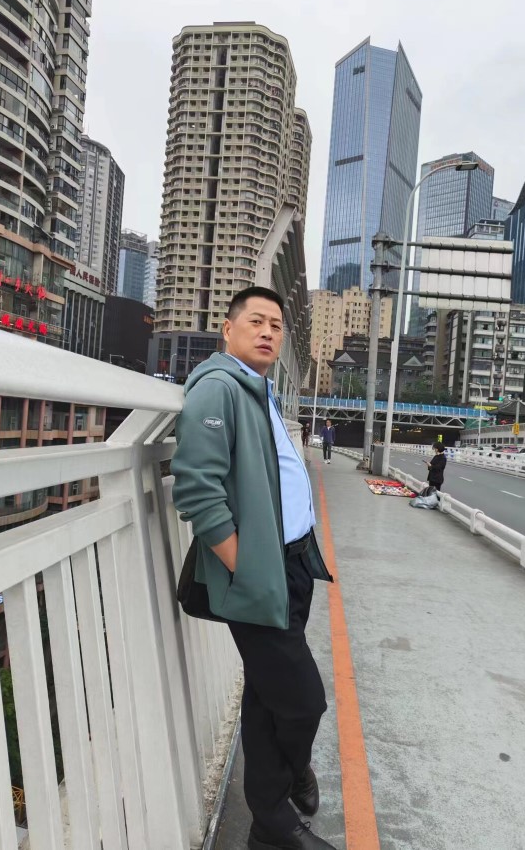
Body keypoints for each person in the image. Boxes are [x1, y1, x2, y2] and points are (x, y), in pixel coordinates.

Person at [170, 286, 337, 850]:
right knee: (304, 701)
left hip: (293, 566)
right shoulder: (218, 388)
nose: (268, 332)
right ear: (228, 329)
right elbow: (197, 489)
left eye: (276, 325)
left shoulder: (259, 391)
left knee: (267, 697)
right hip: (260, 576)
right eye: (256, 321)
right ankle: (284, 795)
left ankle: (271, 829)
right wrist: (245, 570)